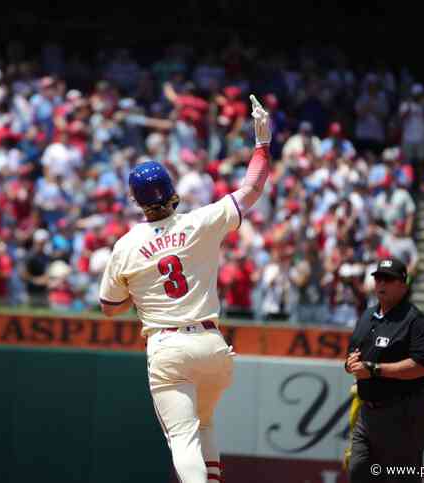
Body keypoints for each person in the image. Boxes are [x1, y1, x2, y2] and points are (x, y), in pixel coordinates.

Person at [99, 95, 272, 483]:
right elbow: (253, 187)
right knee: (204, 422)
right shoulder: (201, 221)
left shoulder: (126, 245)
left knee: (183, 437)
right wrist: (262, 145)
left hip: (169, 347)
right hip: (212, 344)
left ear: (135, 201)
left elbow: (109, 307)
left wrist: (140, 291)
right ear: (171, 189)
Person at [344, 257, 424, 483]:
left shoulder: (415, 321)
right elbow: (352, 352)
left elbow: (421, 367)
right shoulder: (368, 316)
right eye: (378, 278)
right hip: (368, 414)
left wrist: (375, 369)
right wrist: (350, 364)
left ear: (403, 285)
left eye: (388, 279)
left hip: (403, 414)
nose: (381, 284)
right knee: (358, 471)